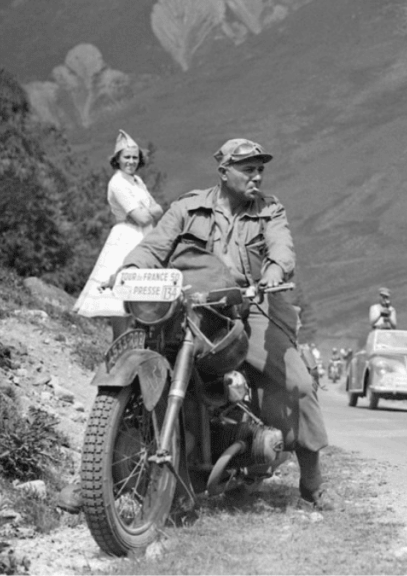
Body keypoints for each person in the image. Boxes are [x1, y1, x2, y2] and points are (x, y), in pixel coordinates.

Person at [121, 137, 332, 509]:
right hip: (194, 306)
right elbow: (154, 246)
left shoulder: (269, 209)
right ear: (224, 172)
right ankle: (101, 471)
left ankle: (311, 478)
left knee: (297, 383)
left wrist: (273, 270)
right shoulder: (188, 208)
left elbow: (281, 247)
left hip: (248, 308)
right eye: (248, 169)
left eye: (260, 169)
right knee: (138, 364)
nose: (257, 177)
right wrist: (133, 268)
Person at [73, 130, 164, 338]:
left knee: (140, 293)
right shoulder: (117, 182)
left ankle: (136, 345)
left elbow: (156, 210)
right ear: (118, 159)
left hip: (144, 236)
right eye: (127, 157)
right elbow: (142, 217)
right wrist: (149, 212)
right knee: (121, 293)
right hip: (126, 235)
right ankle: (118, 343)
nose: (131, 161)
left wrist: (149, 212)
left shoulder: (137, 181)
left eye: (134, 157)